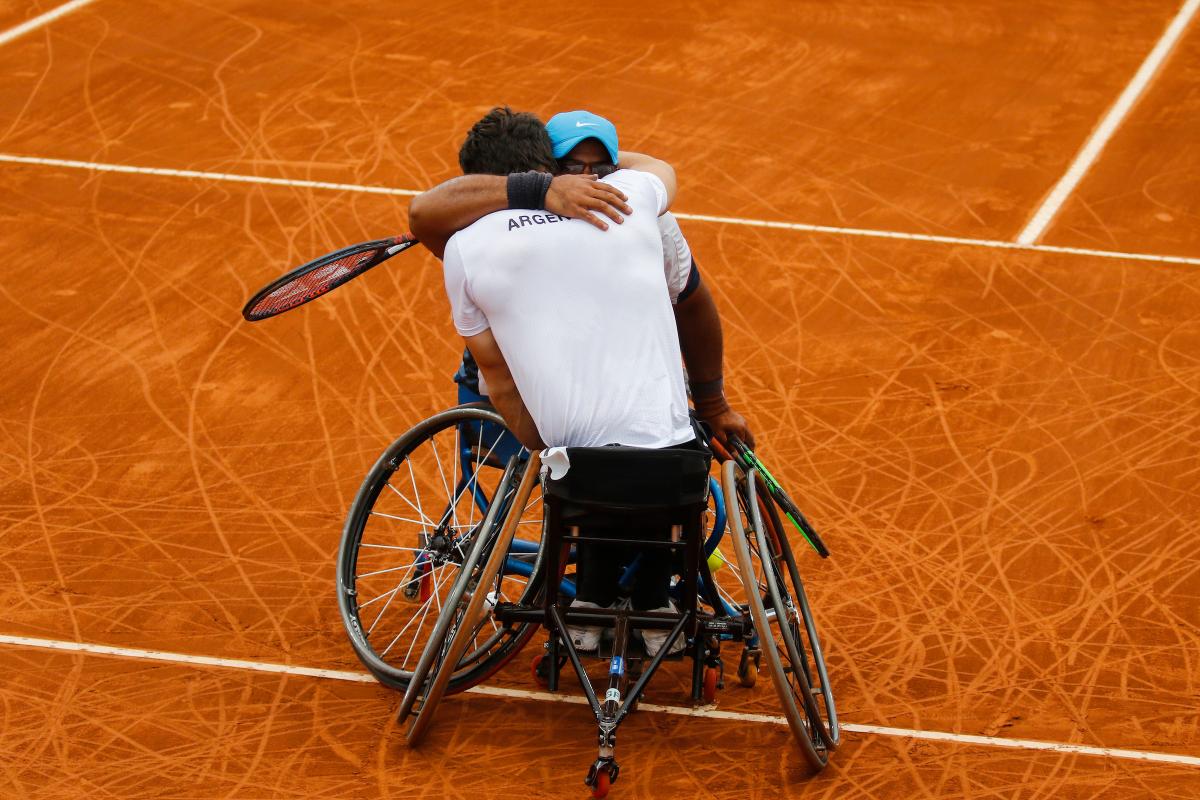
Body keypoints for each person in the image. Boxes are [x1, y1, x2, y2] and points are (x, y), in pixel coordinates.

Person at [408, 107, 752, 654]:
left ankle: (591, 602)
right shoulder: (634, 199)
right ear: (549, 168)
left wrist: (545, 444)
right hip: (634, 442)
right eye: (576, 166)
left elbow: (424, 212)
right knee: (646, 453)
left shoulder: (465, 243)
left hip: (551, 430)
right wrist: (548, 189)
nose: (591, 179)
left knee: (587, 461)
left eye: (602, 168)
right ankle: (648, 599)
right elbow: (689, 290)